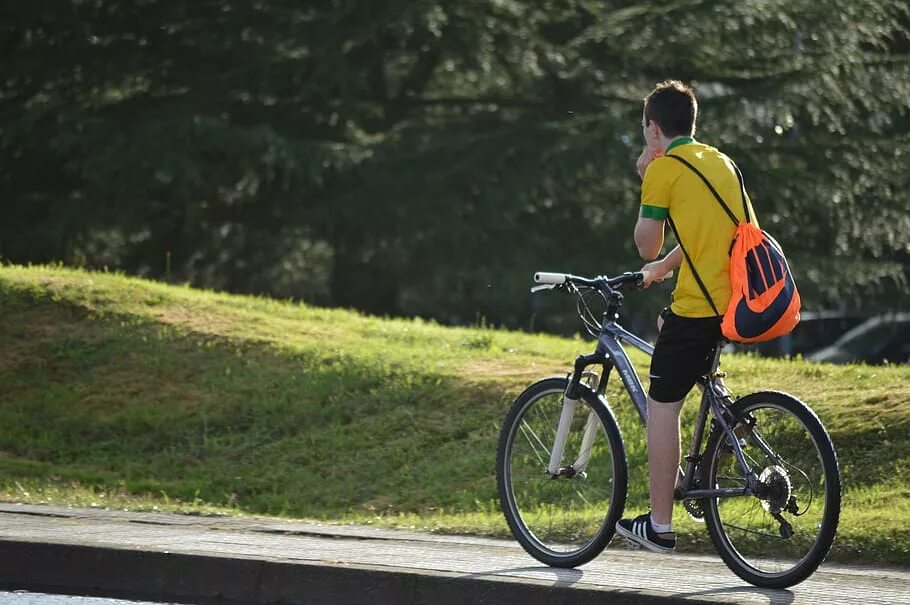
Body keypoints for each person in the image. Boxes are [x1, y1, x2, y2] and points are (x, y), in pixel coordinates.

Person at [614, 80, 756, 553]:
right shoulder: (719, 161)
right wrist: (665, 267)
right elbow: (725, 234)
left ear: (653, 129)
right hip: (738, 299)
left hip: (701, 305)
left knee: (661, 405)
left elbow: (644, 243)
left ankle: (658, 525)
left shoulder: (664, 169)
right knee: (664, 330)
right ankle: (717, 419)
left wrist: (646, 177)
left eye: (644, 132)